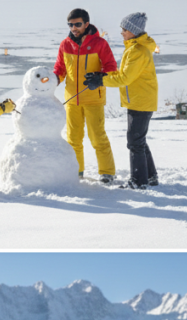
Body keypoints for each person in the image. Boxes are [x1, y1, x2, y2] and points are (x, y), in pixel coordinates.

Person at [84, 12, 158, 190]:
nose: (122, 32)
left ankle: (138, 181)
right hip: (140, 99)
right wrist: (102, 75)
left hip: (140, 101)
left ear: (133, 31)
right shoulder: (134, 48)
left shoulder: (137, 51)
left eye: (124, 29)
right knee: (138, 140)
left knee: (134, 142)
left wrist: (101, 81)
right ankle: (150, 177)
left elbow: (125, 79)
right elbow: (123, 74)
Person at [53, 8, 119, 183]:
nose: (74, 28)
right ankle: (76, 172)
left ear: (86, 24)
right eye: (70, 25)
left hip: (93, 98)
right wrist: (52, 81)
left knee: (97, 137)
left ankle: (107, 172)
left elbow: (111, 67)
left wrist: (99, 77)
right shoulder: (65, 44)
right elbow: (60, 69)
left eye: (78, 24)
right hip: (71, 99)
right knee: (73, 139)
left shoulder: (100, 44)